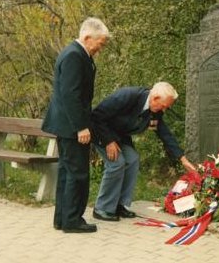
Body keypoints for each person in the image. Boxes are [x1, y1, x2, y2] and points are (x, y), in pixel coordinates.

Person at [42, 17, 110, 233]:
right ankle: (73, 220)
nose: (101, 47)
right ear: (88, 37)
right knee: (77, 173)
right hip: (72, 126)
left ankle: (62, 218)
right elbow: (71, 95)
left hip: (66, 124)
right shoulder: (74, 55)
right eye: (100, 43)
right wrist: (81, 127)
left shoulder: (77, 53)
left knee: (67, 172)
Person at [91, 82, 196, 221]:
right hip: (102, 133)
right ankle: (102, 208)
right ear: (155, 98)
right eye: (164, 106)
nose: (164, 110)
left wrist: (183, 159)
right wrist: (108, 141)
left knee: (133, 159)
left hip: (120, 137)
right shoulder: (128, 96)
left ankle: (120, 205)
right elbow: (96, 116)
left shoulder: (155, 111)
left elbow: (165, 134)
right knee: (117, 162)